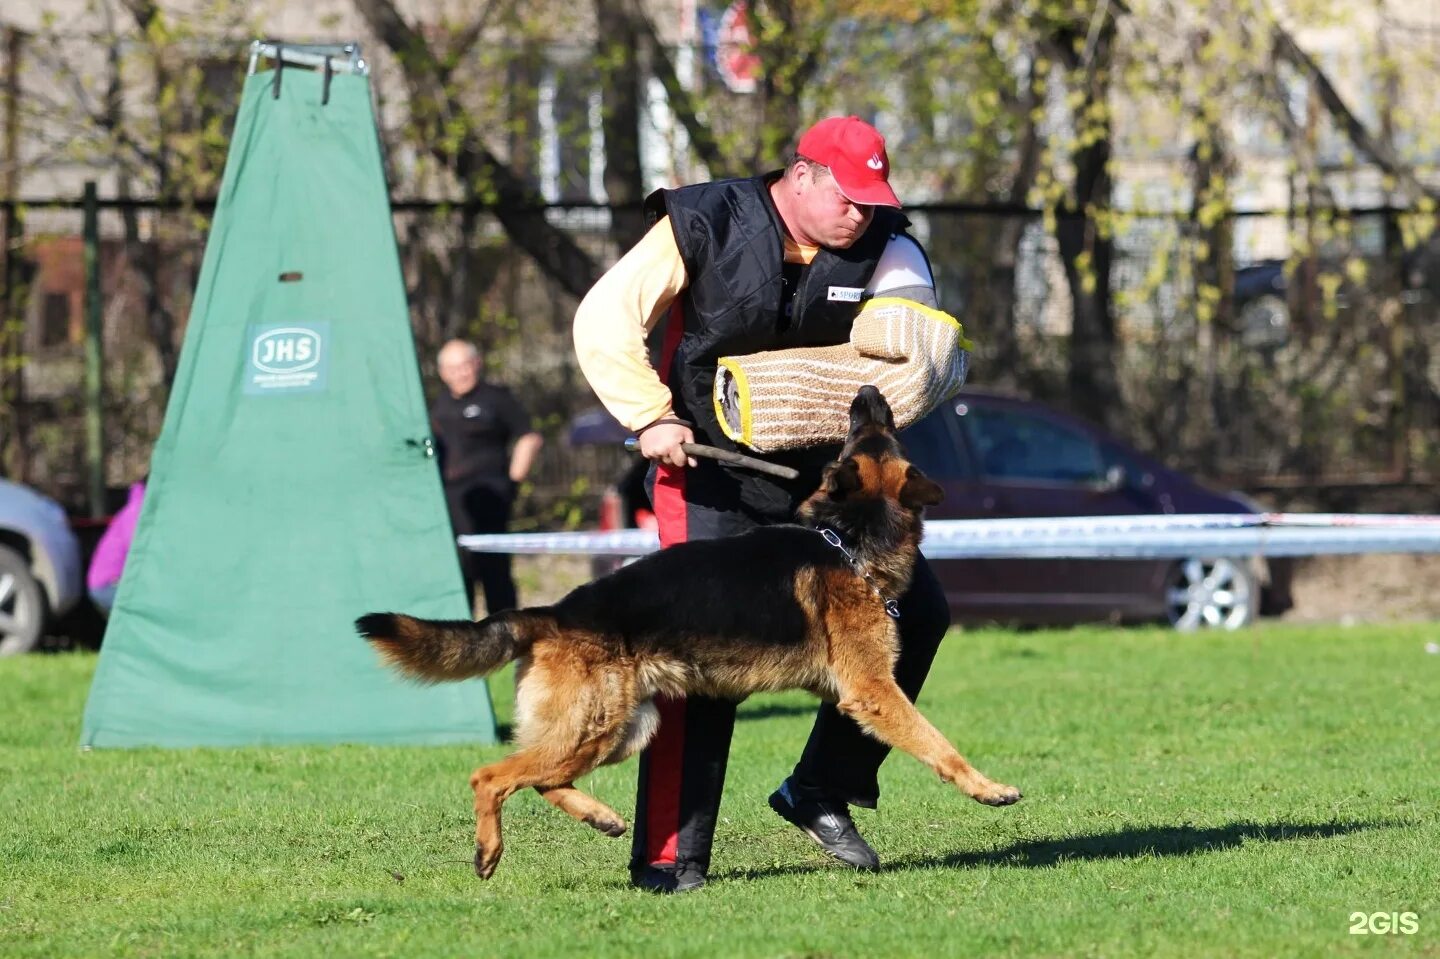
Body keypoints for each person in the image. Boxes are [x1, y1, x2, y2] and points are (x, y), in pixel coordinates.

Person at [572, 115, 953, 892]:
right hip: (706, 473)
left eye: (873, 199)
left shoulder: (884, 238)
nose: (861, 214)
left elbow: (912, 324)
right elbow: (604, 319)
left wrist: (916, 337)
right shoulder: (703, 220)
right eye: (848, 196)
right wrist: (650, 414)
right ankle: (673, 859)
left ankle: (819, 787)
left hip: (819, 488)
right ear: (803, 173)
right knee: (697, 660)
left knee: (920, 614)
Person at [431, 339, 544, 616]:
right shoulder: (437, 405)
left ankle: (505, 632)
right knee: (458, 568)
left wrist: (513, 483)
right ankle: (460, 629)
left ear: (476, 364)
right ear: (442, 372)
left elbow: (529, 437)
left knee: (494, 567)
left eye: (464, 366)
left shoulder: (496, 398)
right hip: (450, 499)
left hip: (491, 495)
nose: (459, 373)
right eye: (452, 368)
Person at [86, 478, 146, 615]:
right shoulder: (136, 511)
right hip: (107, 584)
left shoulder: (136, 508)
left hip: (108, 582)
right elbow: (137, 551)